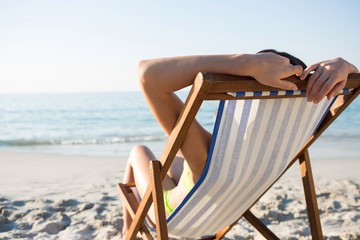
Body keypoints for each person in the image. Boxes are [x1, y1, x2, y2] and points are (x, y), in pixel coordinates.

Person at [121, 50, 358, 236]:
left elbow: (147, 74)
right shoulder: (293, 139)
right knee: (176, 158)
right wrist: (346, 67)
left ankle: (126, 232)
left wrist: (246, 63)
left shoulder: (205, 154)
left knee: (139, 151)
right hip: (229, 209)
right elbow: (347, 89)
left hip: (172, 216)